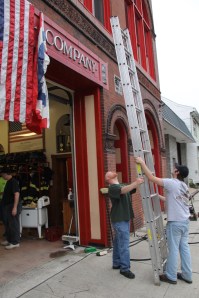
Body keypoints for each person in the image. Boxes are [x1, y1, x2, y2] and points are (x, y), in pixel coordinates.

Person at [135, 157, 192, 284]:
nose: (173, 169)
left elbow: (152, 178)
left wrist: (142, 163)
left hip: (175, 223)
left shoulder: (172, 182)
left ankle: (171, 276)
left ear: (177, 172)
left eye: (175, 168)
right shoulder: (183, 186)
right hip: (185, 222)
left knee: (173, 250)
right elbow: (173, 200)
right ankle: (187, 275)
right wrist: (157, 197)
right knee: (184, 248)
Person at [105, 171, 144, 279]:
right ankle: (125, 269)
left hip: (125, 218)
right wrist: (136, 183)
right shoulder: (112, 188)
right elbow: (123, 191)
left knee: (118, 242)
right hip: (119, 219)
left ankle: (116, 263)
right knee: (124, 245)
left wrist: (139, 179)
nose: (111, 172)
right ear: (108, 179)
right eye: (108, 173)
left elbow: (130, 188)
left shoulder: (121, 185)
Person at [1, 168, 21, 250]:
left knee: (14, 224)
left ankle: (15, 242)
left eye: (2, 174)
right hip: (7, 206)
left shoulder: (13, 182)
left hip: (13, 205)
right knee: (8, 224)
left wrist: (15, 208)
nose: (2, 176)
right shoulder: (9, 182)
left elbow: (16, 194)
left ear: (6, 174)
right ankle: (9, 240)